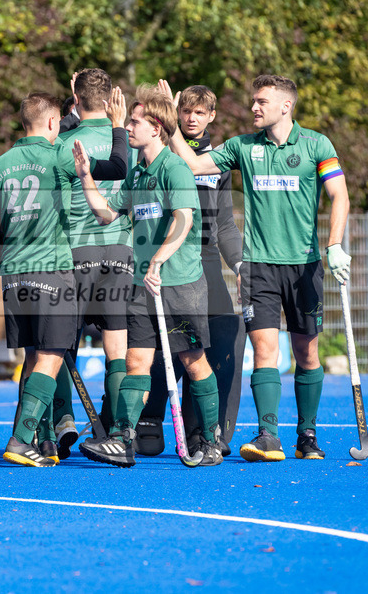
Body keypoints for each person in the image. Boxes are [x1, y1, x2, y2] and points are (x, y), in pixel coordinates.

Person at [165, 74, 351, 462]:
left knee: (307, 353)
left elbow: (339, 195)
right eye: (253, 101)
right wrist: (169, 122)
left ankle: (307, 435)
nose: (253, 108)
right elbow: (195, 165)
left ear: (285, 105)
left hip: (304, 266)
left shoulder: (317, 144)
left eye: (261, 102)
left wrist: (334, 245)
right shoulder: (242, 147)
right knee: (264, 350)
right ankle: (269, 435)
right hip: (258, 268)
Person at [76, 85, 222, 468]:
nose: (128, 126)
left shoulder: (174, 167)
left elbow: (184, 219)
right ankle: (123, 439)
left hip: (180, 284)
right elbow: (107, 215)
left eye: (135, 121)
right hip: (144, 286)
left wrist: (157, 260)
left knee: (193, 362)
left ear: (156, 127)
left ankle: (209, 439)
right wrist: (87, 178)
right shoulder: (138, 173)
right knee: (137, 360)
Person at [0, 93, 112, 467]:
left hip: (12, 274)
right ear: (53, 123)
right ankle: (21, 440)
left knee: (34, 355)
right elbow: (114, 168)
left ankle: (46, 440)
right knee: (52, 358)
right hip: (51, 269)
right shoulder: (60, 156)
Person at [137, 84, 245, 457]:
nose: (192, 118)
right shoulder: (160, 152)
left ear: (212, 116)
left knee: (210, 339)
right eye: (185, 111)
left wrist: (240, 263)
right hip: (165, 257)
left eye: (200, 113)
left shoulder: (218, 159)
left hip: (205, 260)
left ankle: (205, 431)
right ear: (176, 113)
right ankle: (148, 419)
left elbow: (226, 225)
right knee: (152, 339)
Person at [54, 69, 131, 458]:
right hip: (120, 251)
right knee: (116, 347)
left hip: (75, 252)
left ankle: (64, 418)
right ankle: (118, 430)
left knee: (56, 344)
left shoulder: (64, 142)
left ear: (75, 96)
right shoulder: (128, 138)